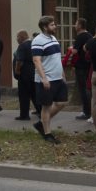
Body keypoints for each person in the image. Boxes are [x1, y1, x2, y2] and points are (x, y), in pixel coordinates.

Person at [32, 15, 67, 144]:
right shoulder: (38, 40)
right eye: (52, 25)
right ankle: (47, 134)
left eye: (54, 24)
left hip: (58, 78)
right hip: (47, 79)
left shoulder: (53, 38)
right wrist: (44, 78)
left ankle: (41, 123)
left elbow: (57, 58)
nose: (55, 26)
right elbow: (36, 60)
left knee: (61, 103)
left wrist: (62, 73)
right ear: (45, 27)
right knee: (46, 107)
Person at [13, 30, 37, 121]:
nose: (17, 39)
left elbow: (19, 61)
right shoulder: (33, 44)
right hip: (33, 73)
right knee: (34, 94)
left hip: (24, 74)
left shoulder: (22, 46)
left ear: (22, 37)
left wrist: (17, 71)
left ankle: (24, 115)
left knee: (24, 95)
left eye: (17, 37)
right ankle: (40, 111)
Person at [72, 18, 92, 120]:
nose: (74, 26)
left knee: (83, 90)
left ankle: (86, 112)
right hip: (89, 65)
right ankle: (90, 110)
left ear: (80, 25)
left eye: (76, 24)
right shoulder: (89, 35)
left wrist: (71, 49)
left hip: (81, 66)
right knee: (88, 89)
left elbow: (75, 51)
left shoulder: (80, 36)